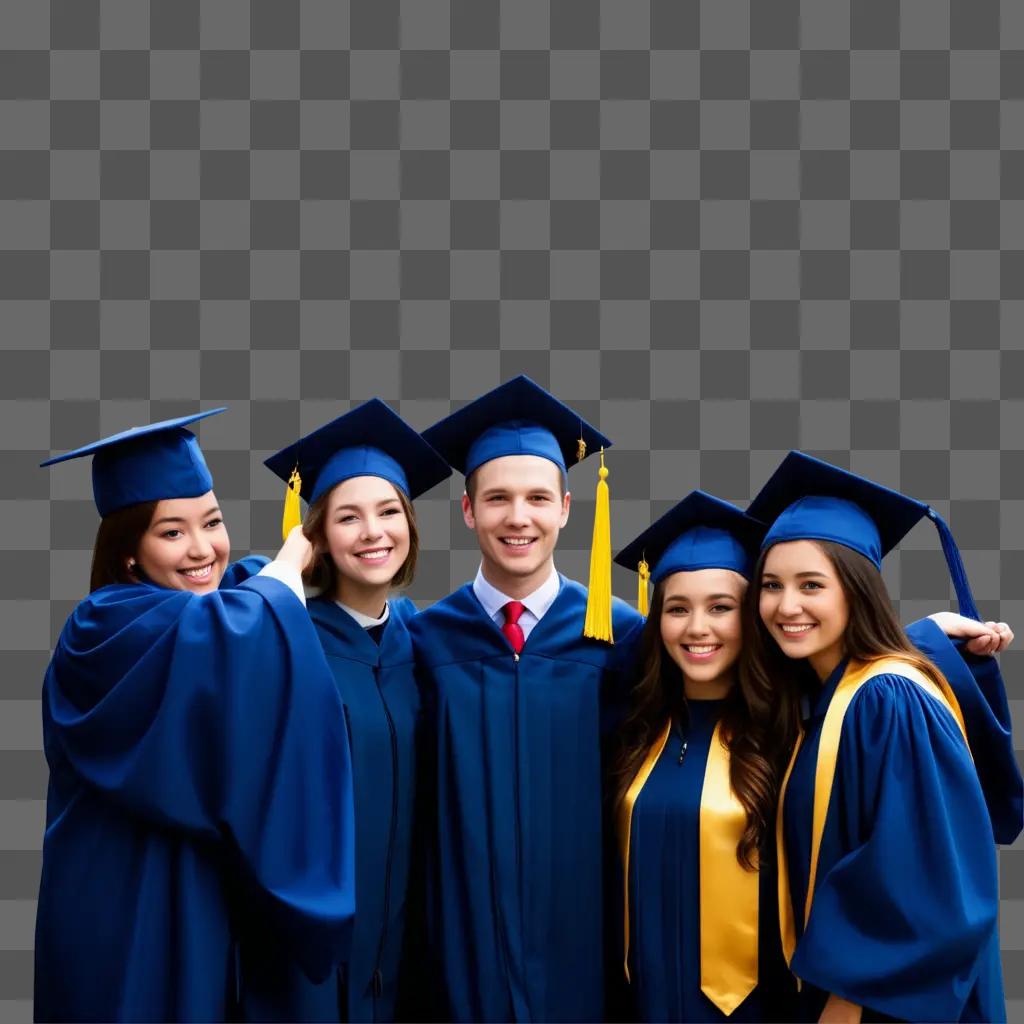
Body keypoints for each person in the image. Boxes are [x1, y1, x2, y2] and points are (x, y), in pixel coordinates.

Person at [35, 410, 355, 1023]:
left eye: (212, 521)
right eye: (172, 533)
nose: (203, 548)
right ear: (130, 552)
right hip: (124, 898)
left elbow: (238, 608)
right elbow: (229, 630)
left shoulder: (220, 602)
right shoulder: (103, 625)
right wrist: (286, 573)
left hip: (203, 897)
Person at [744, 451, 1010, 1023]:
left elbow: (922, 881)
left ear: (856, 591)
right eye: (770, 585)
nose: (785, 606)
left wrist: (844, 1007)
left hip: (880, 1006)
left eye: (811, 584)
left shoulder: (891, 701)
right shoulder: (826, 697)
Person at [408, 375, 644, 1022]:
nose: (519, 518)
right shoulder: (424, 641)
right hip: (461, 941)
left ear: (566, 507)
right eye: (498, 499)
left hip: (586, 936)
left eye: (538, 498)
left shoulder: (622, 635)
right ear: (467, 509)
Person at [243, 398, 452, 1022]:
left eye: (389, 511)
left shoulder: (420, 640)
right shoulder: (286, 637)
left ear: (411, 525)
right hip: (308, 934)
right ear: (318, 540)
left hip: (404, 935)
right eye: (347, 517)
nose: (372, 533)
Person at [610, 490, 796, 1022]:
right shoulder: (634, 731)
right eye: (676, 608)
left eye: (721, 608)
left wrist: (928, 641)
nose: (696, 628)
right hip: (645, 1002)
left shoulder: (793, 732)